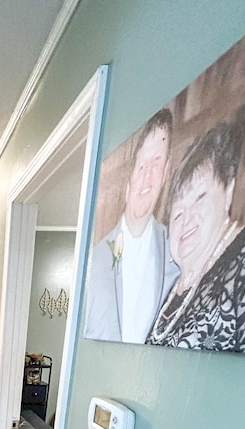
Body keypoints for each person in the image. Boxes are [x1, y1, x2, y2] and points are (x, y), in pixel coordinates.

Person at [147, 112, 245, 350]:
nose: (186, 218)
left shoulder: (239, 266)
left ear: (228, 192)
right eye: (177, 213)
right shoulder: (174, 289)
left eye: (200, 197)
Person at [85, 108, 179, 343]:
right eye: (141, 165)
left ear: (166, 170)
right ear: (127, 183)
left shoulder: (177, 252)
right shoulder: (93, 260)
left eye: (156, 162)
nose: (148, 175)